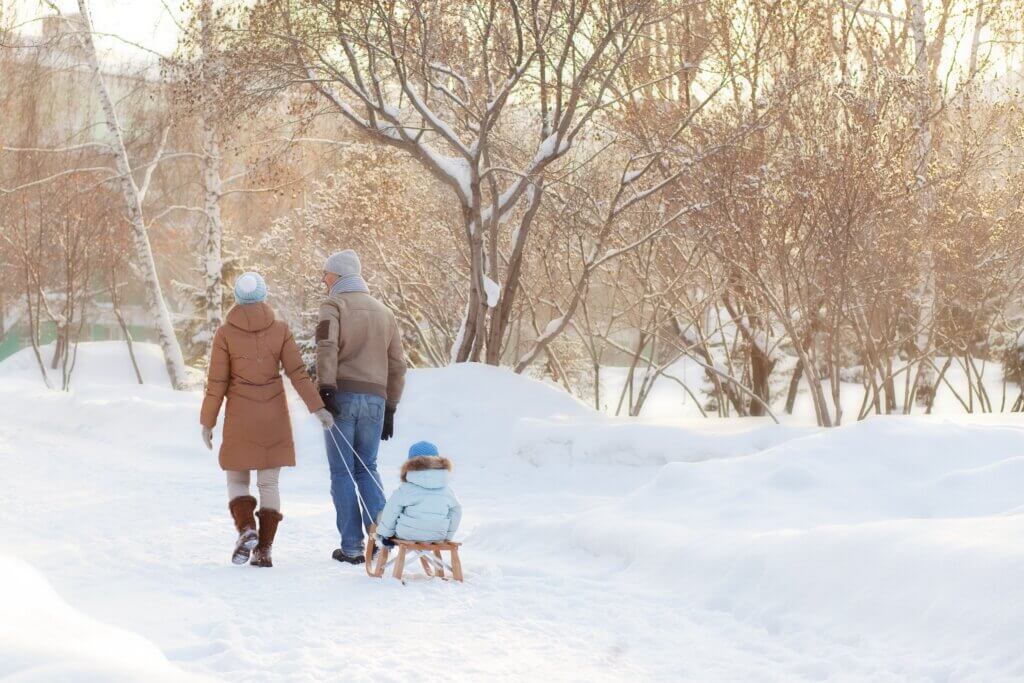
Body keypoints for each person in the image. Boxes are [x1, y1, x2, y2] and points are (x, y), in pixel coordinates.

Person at [201, 272, 334, 568]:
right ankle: (264, 550)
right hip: (273, 415)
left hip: (240, 416)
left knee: (237, 478)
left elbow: (216, 382)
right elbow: (298, 373)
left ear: (237, 297)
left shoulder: (225, 333)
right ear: (263, 295)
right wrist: (318, 408)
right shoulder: (280, 329)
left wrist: (207, 421)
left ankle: (247, 527)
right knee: (269, 483)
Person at [316, 249, 407, 564]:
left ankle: (353, 547)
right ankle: (384, 538)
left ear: (339, 276)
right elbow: (398, 365)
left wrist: (325, 387)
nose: (323, 278)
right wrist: (391, 407)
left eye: (326, 273)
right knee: (366, 467)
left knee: (342, 470)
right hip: (376, 400)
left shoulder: (333, 305)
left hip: (342, 396)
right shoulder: (385, 312)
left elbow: (326, 345)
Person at [376, 441, 462, 546]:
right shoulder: (447, 490)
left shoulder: (406, 488)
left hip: (407, 534)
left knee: (383, 514)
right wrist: (448, 535)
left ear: (410, 463)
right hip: (438, 535)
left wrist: (386, 534)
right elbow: (456, 511)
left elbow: (391, 510)